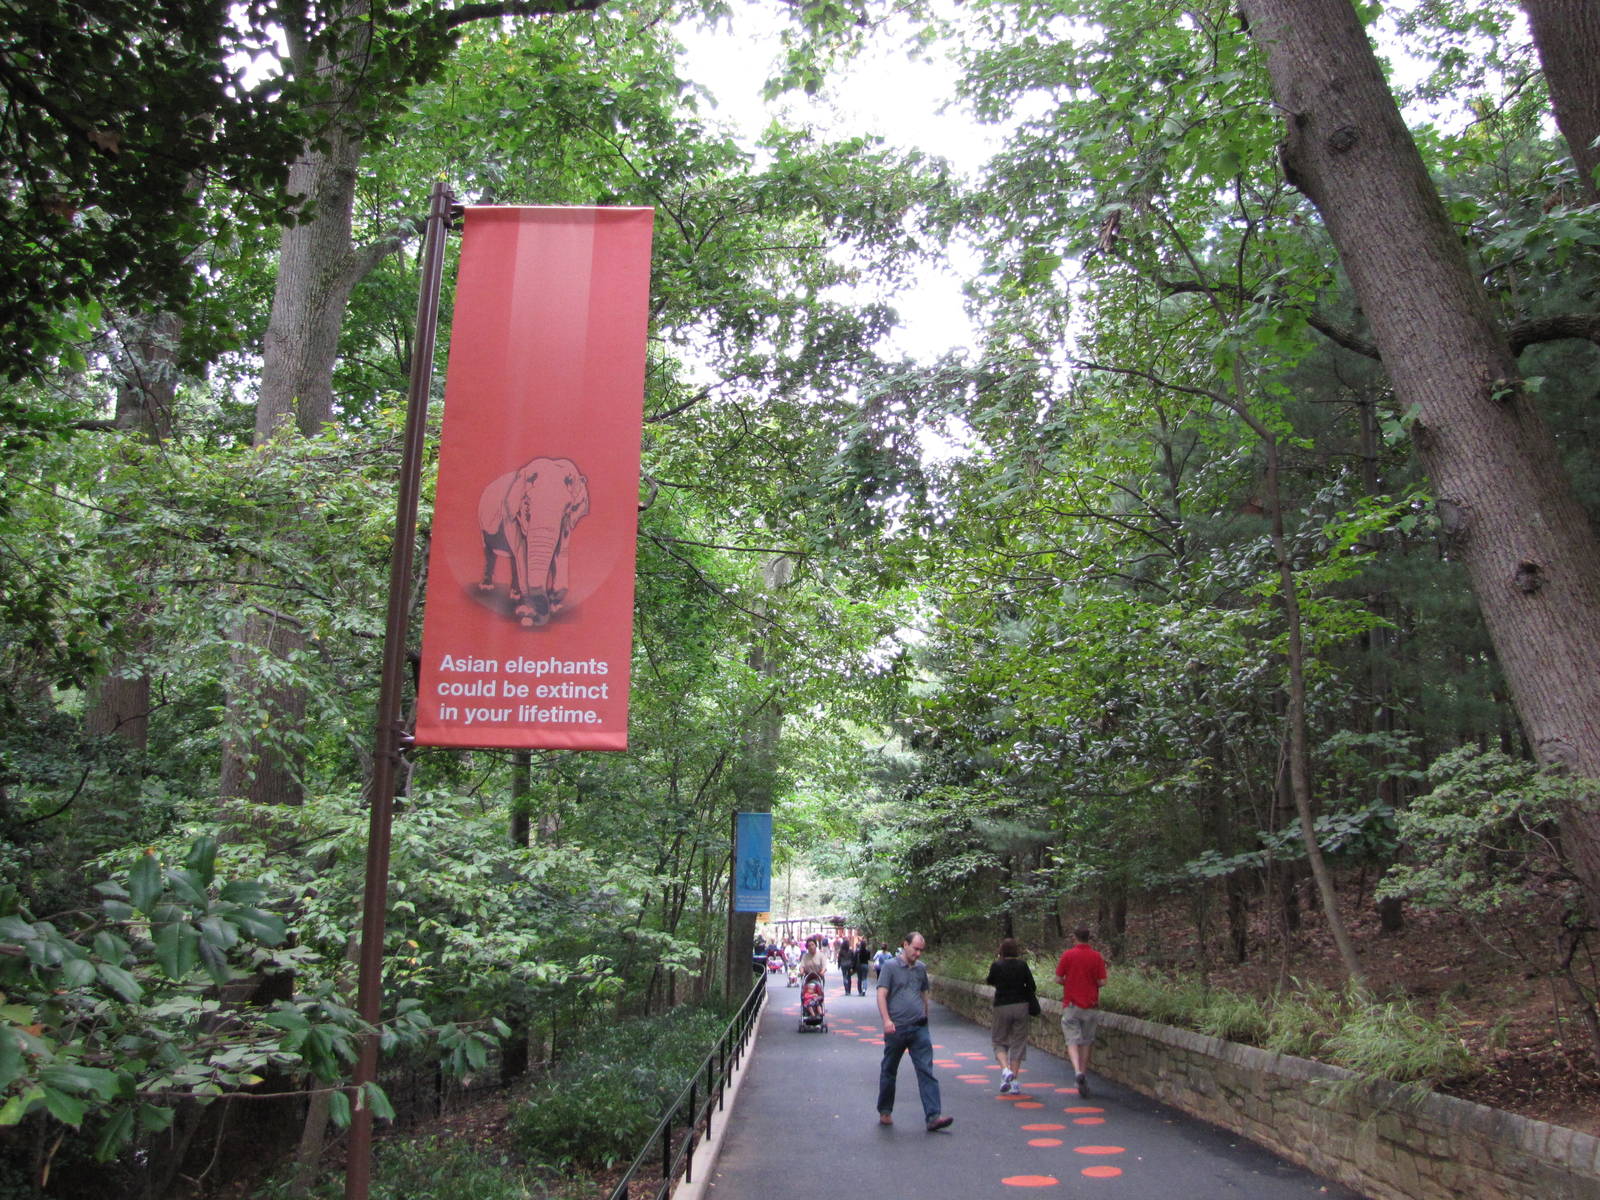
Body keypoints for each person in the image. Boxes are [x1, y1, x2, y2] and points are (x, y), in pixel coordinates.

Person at [875, 931, 953, 1132]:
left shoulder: (921, 969)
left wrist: (925, 1015)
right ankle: (885, 1110)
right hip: (896, 1028)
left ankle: (933, 1115)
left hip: (919, 1027)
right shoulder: (890, 967)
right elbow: (882, 994)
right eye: (915, 949)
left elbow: (923, 994)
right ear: (905, 945)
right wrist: (886, 1020)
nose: (918, 953)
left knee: (926, 1070)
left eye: (921, 950)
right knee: (889, 1069)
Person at [1055, 926, 1108, 1098]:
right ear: (1088, 938)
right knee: (1086, 1041)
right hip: (1091, 1004)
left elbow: (1058, 978)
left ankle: (1077, 1070)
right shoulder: (1097, 956)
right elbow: (1102, 982)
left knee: (1071, 1040)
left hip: (1071, 1004)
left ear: (1074, 937)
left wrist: (1069, 983)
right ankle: (1083, 1072)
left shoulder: (1068, 955)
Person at [985, 937, 1038, 1094]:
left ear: (1002, 950)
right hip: (1021, 1006)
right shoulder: (1022, 965)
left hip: (1002, 1005)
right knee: (1018, 1042)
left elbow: (990, 981)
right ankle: (1014, 1081)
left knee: (999, 1040)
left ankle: (1005, 1070)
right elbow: (1032, 986)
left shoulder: (997, 965)